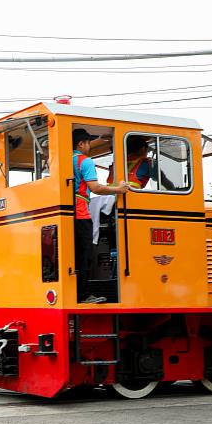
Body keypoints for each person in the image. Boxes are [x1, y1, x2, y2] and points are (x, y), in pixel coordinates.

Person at [72, 128, 129, 304]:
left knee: (74, 255)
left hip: (68, 211)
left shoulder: (65, 159)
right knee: (86, 255)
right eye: (88, 143)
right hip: (81, 211)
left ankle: (74, 293)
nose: (89, 147)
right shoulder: (85, 161)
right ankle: (84, 295)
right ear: (81, 144)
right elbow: (95, 187)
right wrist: (118, 190)